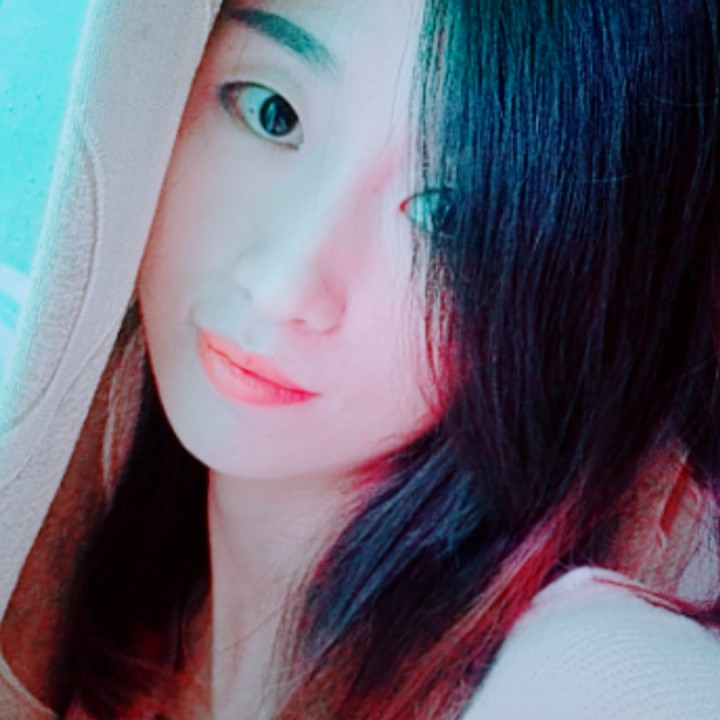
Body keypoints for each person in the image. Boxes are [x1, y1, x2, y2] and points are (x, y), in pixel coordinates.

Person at [2, 0, 720, 718]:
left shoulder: (582, 677)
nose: (283, 285)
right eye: (273, 114)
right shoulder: (90, 552)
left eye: (446, 215)